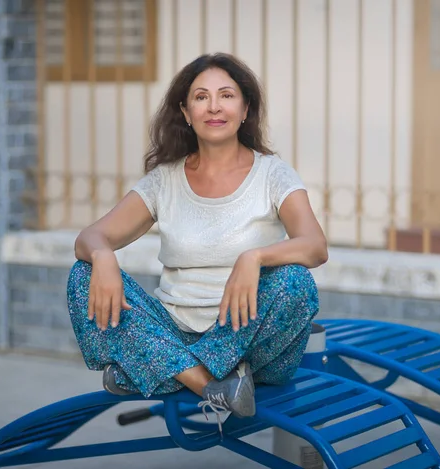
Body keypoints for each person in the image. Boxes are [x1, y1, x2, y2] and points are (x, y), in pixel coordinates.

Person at [67, 53, 328, 423]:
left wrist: (253, 258)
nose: (214, 107)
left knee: (296, 283)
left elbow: (315, 246)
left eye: (226, 95)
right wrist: (104, 256)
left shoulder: (273, 174)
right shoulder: (165, 180)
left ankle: (159, 369)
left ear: (245, 108)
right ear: (186, 113)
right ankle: (209, 383)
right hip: (175, 330)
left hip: (251, 344)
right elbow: (90, 237)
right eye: (201, 97)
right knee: (83, 273)